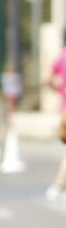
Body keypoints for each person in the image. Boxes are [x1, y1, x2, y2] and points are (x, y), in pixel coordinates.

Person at [47, 47, 66, 201]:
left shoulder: (63, 54)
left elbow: (49, 79)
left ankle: (57, 185)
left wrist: (59, 90)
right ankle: (58, 185)